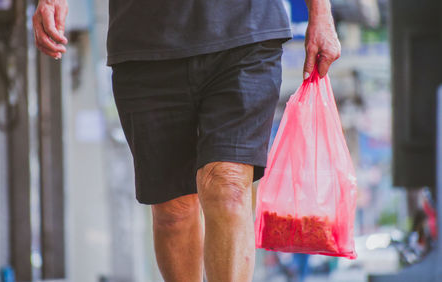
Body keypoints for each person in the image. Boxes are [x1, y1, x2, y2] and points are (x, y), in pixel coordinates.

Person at [33, 0, 340, 281]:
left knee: (228, 187)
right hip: (145, 45)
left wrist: (321, 14)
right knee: (173, 213)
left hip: (246, 35)